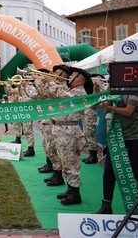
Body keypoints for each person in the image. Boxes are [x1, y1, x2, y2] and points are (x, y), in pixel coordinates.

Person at [94, 92, 138, 214]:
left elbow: (128, 111)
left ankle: (136, 207)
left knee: (134, 171)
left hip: (136, 135)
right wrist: (96, 104)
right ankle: (106, 206)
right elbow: (107, 109)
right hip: (117, 134)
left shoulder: (133, 86)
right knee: (108, 170)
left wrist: (109, 108)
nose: (109, 71)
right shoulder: (112, 86)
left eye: (110, 70)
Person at [49, 66, 92, 205]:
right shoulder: (71, 90)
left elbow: (63, 96)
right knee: (64, 161)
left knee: (71, 163)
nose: (69, 77)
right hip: (62, 130)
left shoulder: (79, 92)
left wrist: (51, 82)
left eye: (72, 75)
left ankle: (75, 194)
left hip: (69, 131)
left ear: (79, 78)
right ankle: (70, 188)